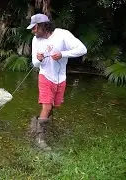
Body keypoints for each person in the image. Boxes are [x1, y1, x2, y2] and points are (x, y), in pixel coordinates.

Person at [26, 13, 87, 150]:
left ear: (43, 26)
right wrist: (39, 59)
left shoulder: (62, 34)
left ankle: (38, 124)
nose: (33, 31)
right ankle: (40, 139)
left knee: (53, 106)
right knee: (46, 107)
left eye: (35, 28)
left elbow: (82, 49)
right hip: (45, 76)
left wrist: (62, 54)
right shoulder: (35, 40)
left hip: (60, 78)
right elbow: (35, 64)